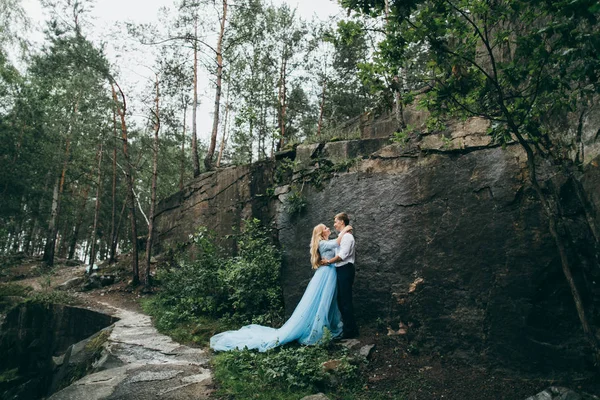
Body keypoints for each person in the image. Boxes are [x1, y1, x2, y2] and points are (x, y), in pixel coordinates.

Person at [209, 223, 353, 352]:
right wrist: (345, 229)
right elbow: (337, 243)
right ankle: (316, 330)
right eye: (326, 228)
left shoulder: (324, 242)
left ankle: (329, 327)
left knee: (329, 301)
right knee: (322, 302)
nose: (329, 229)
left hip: (329, 273)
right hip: (326, 275)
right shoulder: (322, 243)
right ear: (322, 233)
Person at [321, 212, 358, 339]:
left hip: (345, 269)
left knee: (345, 300)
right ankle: (348, 328)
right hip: (340, 270)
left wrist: (328, 262)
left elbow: (342, 256)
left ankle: (351, 331)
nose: (334, 224)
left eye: (336, 221)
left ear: (342, 222)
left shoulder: (347, 237)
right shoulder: (342, 236)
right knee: (341, 300)